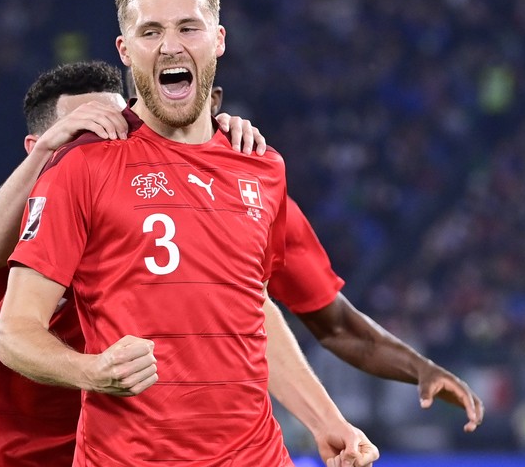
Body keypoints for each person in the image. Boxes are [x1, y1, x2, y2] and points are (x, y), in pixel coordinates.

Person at [0, 0, 377, 467]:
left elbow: (250, 306)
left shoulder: (261, 167)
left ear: (217, 39)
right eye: (151, 31)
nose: (171, 44)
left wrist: (324, 419)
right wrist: (92, 371)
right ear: (127, 52)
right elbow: (14, 332)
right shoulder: (84, 167)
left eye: (187, 27)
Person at [0, 61, 265, 467]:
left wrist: (216, 134)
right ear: (36, 145)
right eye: (84, 133)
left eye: (116, 128)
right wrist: (51, 153)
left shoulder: (143, 218)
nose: (103, 146)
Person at [208, 85, 486, 433]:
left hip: (232, 453)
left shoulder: (259, 197)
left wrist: (421, 368)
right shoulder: (120, 168)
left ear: (215, 102)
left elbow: (337, 326)